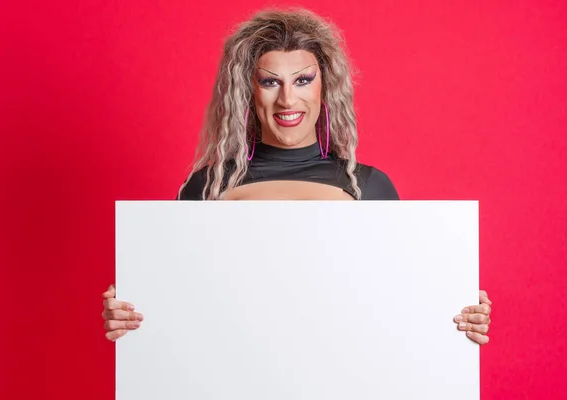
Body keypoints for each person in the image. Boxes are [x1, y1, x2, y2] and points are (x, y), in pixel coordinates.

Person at [101, 8, 492, 345]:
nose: (287, 99)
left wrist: (456, 314)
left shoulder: (370, 188)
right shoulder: (206, 188)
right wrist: (133, 312)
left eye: (303, 80)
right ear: (247, 91)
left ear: (326, 87)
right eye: (270, 82)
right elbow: (181, 306)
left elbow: (399, 304)